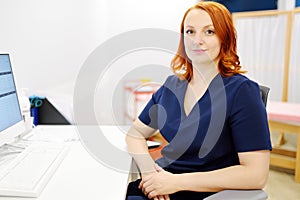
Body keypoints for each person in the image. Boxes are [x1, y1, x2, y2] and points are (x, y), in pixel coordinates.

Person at [125, 1, 272, 200]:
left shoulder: (241, 91)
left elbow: (256, 174)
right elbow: (135, 134)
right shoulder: (171, 87)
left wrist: (175, 183)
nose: (197, 40)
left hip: (205, 193)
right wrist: (150, 173)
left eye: (209, 32)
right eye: (190, 32)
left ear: (225, 38)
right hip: (161, 185)